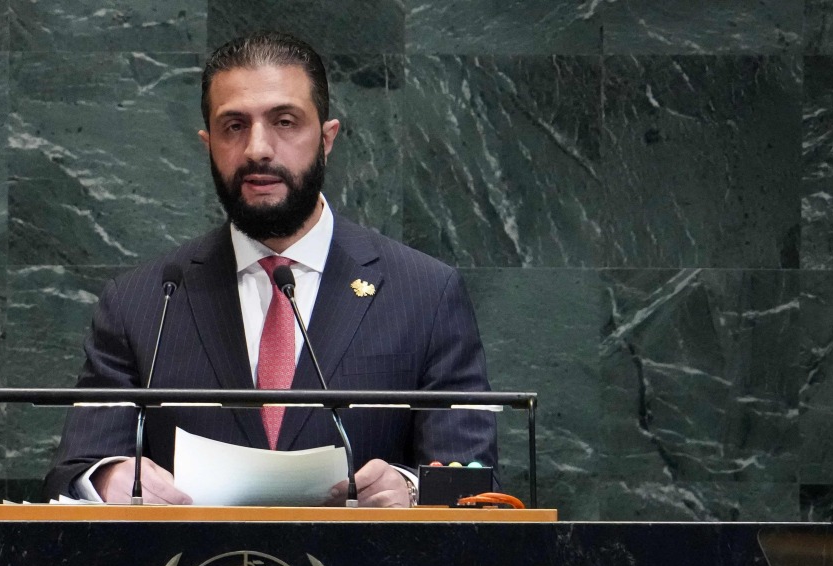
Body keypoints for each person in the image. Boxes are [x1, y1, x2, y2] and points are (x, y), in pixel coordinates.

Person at [42, 31, 496, 507]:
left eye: (284, 121)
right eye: (234, 126)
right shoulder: (143, 300)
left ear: (326, 138)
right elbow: (75, 468)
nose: (258, 148)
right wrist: (110, 477)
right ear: (208, 144)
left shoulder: (424, 293)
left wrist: (409, 488)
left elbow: (474, 478)